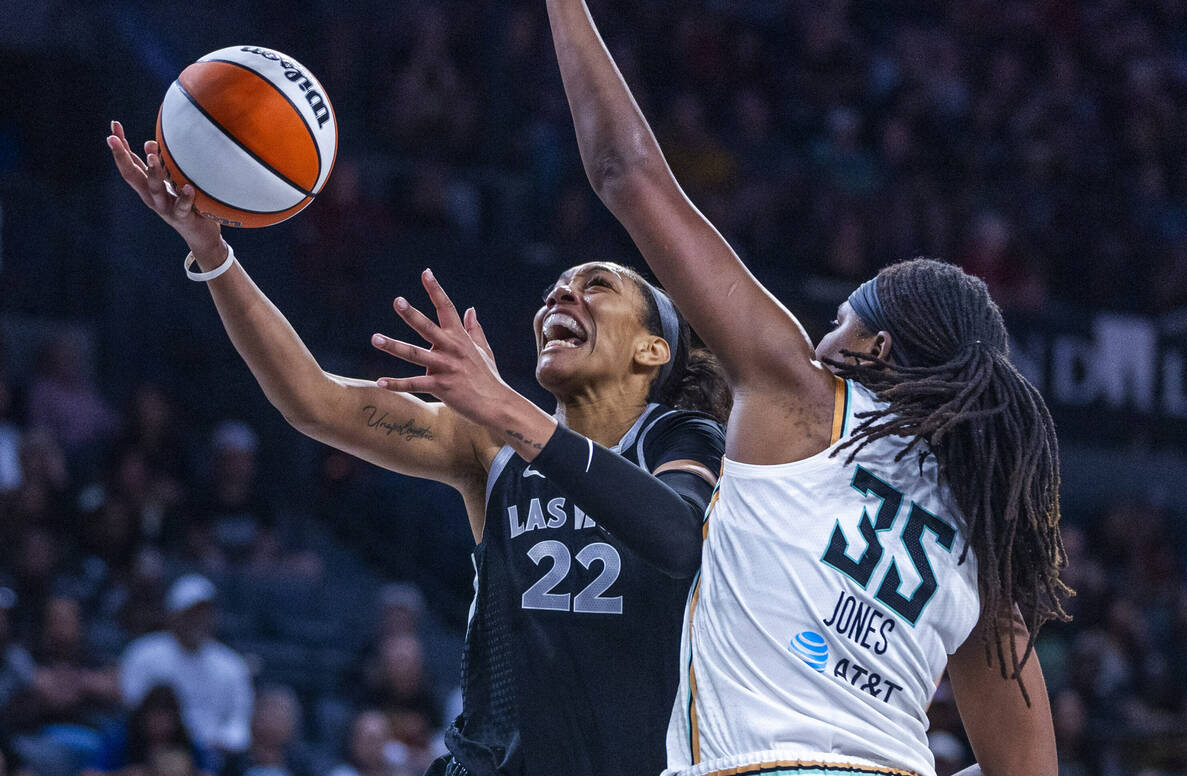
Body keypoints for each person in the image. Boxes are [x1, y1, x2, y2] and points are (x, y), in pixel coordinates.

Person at [542, 2, 1070, 775]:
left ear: (877, 347)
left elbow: (626, 170)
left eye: (838, 322)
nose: (820, 342)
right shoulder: (979, 534)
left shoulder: (802, 395)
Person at [106, 122, 729, 776]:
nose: (561, 295)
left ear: (651, 349)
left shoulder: (680, 439)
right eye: (556, 291)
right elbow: (311, 400)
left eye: (596, 285)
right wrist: (212, 251)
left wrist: (503, 404)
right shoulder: (488, 443)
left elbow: (678, 530)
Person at [119, 575, 254, 759]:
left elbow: (239, 721)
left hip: (213, 754)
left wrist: (222, 742)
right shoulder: (143, 653)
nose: (198, 620)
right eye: (190, 613)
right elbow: (132, 705)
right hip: (153, 749)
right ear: (173, 614)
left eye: (204, 613)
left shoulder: (231, 665)